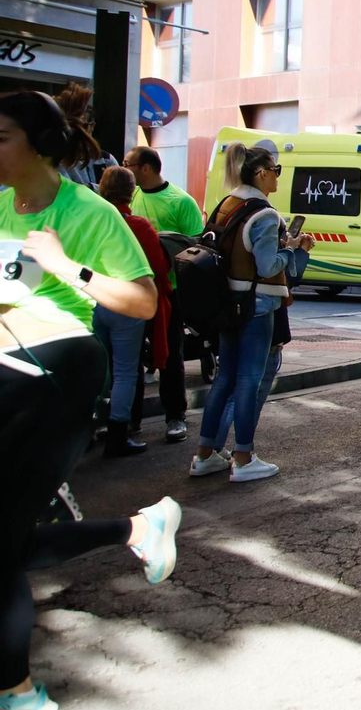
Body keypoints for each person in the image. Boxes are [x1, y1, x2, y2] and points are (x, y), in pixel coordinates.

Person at [0, 94, 181, 710]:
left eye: (2, 136)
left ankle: (17, 693)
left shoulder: (89, 213)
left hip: (59, 370)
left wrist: (66, 268)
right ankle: (138, 530)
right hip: (3, 369)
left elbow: (140, 300)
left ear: (39, 144)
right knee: (12, 544)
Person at [191, 143, 312, 482]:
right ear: (261, 173)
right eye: (275, 170)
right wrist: (292, 251)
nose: (277, 177)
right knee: (249, 380)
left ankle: (205, 454)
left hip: (227, 302)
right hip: (257, 305)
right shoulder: (265, 214)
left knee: (225, 378)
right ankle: (243, 457)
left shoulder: (226, 205)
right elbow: (267, 264)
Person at [125, 146, 203, 443]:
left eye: (128, 163)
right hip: (132, 291)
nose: (125, 168)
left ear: (145, 167)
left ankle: (176, 417)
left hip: (168, 293)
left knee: (171, 356)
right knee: (130, 359)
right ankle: (130, 421)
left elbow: (195, 248)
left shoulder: (181, 201)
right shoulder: (129, 197)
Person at [94, 167, 173, 457]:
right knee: (126, 372)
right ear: (131, 191)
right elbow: (159, 267)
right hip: (127, 303)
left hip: (94, 300)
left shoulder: (92, 220)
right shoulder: (138, 225)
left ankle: (88, 427)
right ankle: (118, 434)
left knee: (100, 369)